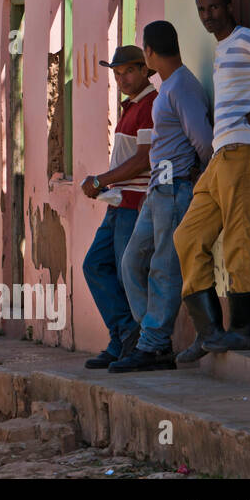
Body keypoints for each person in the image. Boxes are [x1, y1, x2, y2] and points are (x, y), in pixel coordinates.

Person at [111, 21, 213, 372]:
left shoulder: (181, 86)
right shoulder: (170, 85)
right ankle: (150, 336)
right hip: (158, 188)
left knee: (164, 269)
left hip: (175, 188)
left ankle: (153, 345)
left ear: (150, 53)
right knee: (131, 263)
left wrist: (198, 174)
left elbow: (202, 139)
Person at [174, 0, 250, 357]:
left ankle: (244, 329)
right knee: (187, 236)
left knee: (240, 236)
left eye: (213, 7)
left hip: (242, 148)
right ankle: (209, 330)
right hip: (219, 156)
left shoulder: (246, 39)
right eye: (202, 10)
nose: (208, 14)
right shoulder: (222, 47)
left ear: (229, 6)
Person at [80, 46, 156, 369]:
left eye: (127, 71)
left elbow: (143, 159)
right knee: (95, 265)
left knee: (128, 275)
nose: (121, 78)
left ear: (143, 70)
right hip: (117, 201)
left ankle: (138, 341)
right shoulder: (130, 106)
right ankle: (123, 333)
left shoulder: (151, 105)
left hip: (134, 202)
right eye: (116, 73)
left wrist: (99, 180)